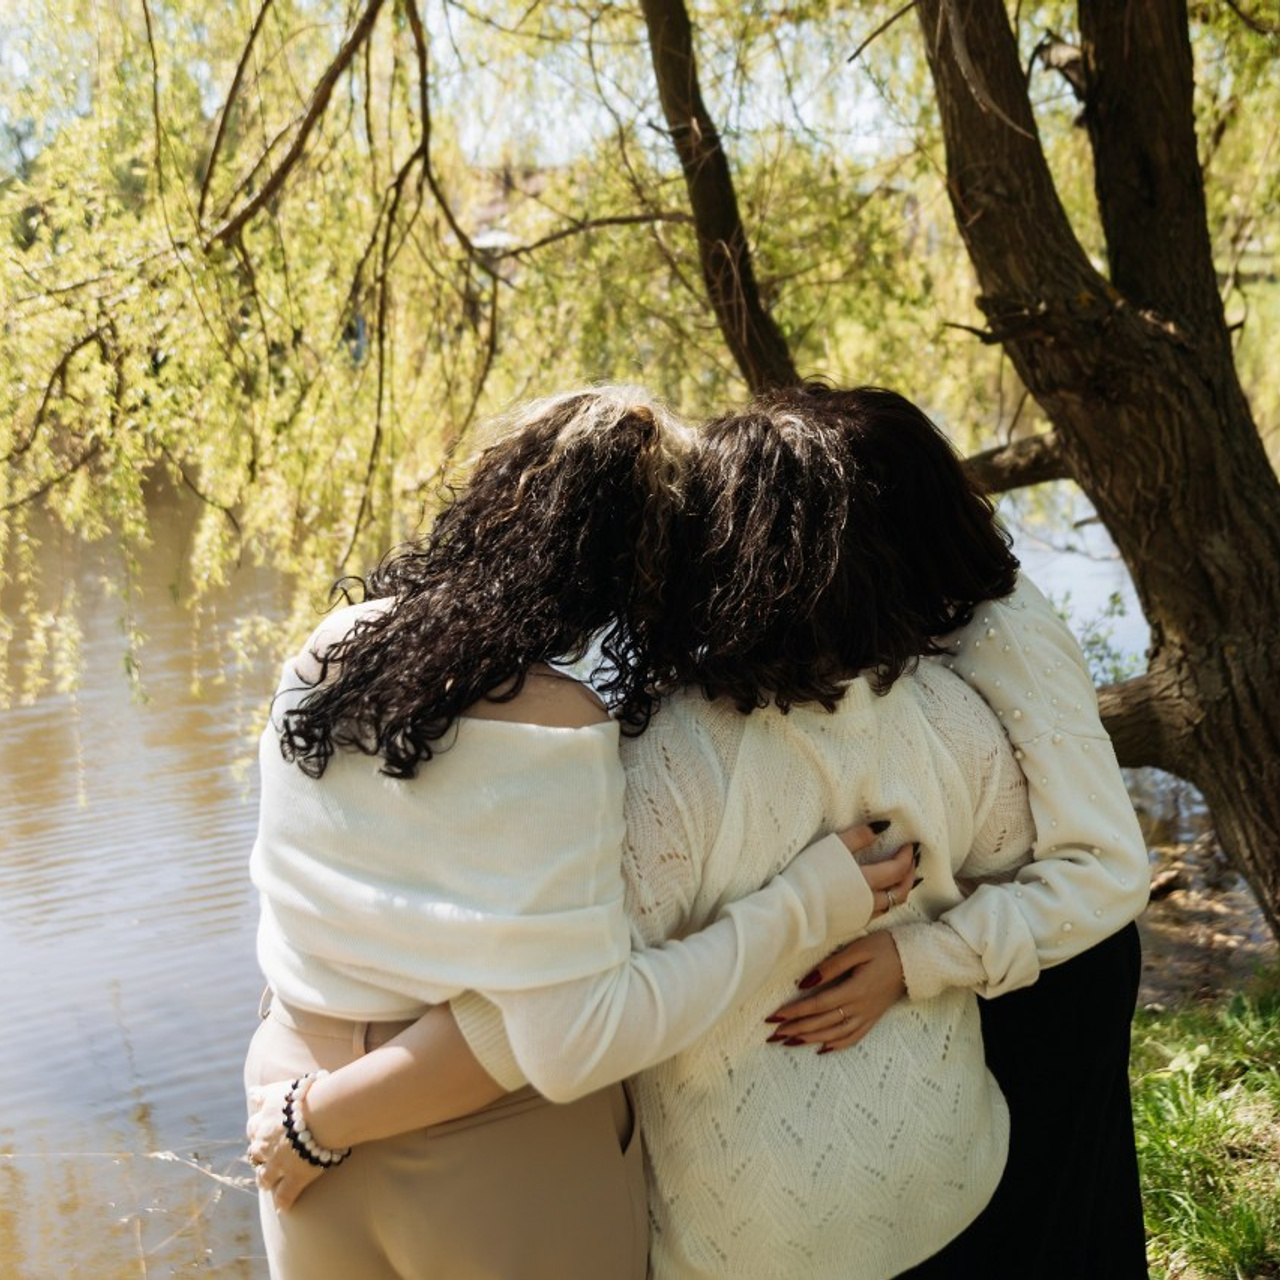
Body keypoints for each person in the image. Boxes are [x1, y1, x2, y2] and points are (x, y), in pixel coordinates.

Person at [248, 385, 1149, 1277]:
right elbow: (564, 1014)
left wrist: (321, 1110)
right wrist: (872, 908)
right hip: (931, 1174)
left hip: (323, 1082)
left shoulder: (346, 657)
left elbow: (535, 999)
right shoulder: (943, 713)